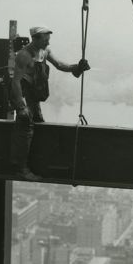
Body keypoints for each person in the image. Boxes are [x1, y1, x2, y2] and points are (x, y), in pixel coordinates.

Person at [10, 26, 90, 181]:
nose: (48, 42)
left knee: (38, 124)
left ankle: (34, 164)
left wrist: (77, 67)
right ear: (36, 38)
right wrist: (21, 106)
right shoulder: (24, 55)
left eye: (48, 39)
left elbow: (60, 65)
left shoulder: (44, 51)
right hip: (25, 94)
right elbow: (16, 82)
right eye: (45, 39)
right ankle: (21, 168)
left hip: (33, 96)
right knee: (25, 128)